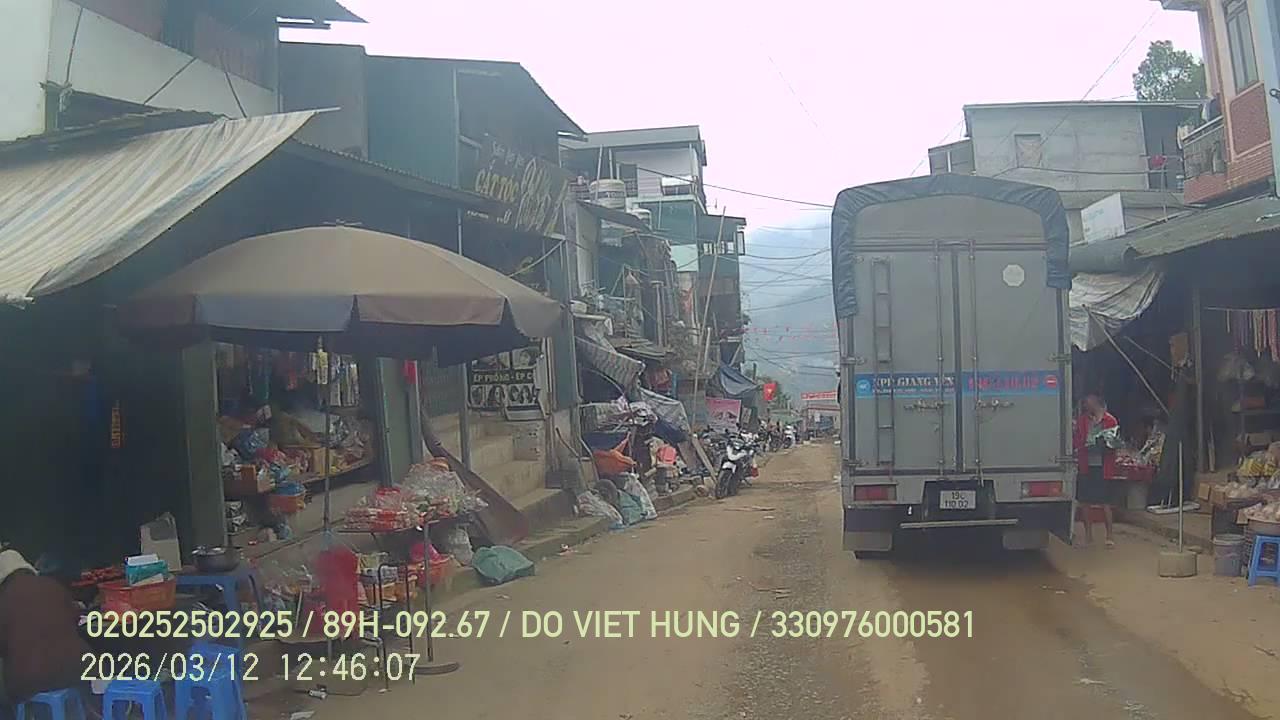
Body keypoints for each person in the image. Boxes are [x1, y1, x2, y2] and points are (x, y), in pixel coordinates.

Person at [1074, 393, 1120, 547]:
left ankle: (1109, 535)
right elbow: (1077, 440)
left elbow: (1113, 443)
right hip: (1086, 466)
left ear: (1096, 403)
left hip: (1103, 467)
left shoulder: (1110, 421)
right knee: (1085, 502)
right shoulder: (1082, 421)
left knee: (1105, 502)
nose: (1086, 406)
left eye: (1088, 403)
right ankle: (1088, 535)